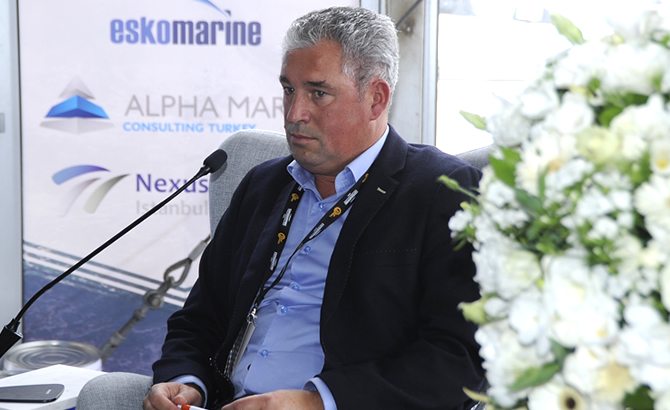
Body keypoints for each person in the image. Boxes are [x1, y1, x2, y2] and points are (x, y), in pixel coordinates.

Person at [78, 6, 484, 410]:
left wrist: (317, 402)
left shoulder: (442, 191)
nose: (294, 114)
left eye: (318, 93)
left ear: (376, 99)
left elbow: (459, 356)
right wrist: (188, 382)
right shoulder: (262, 185)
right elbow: (199, 318)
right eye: (289, 89)